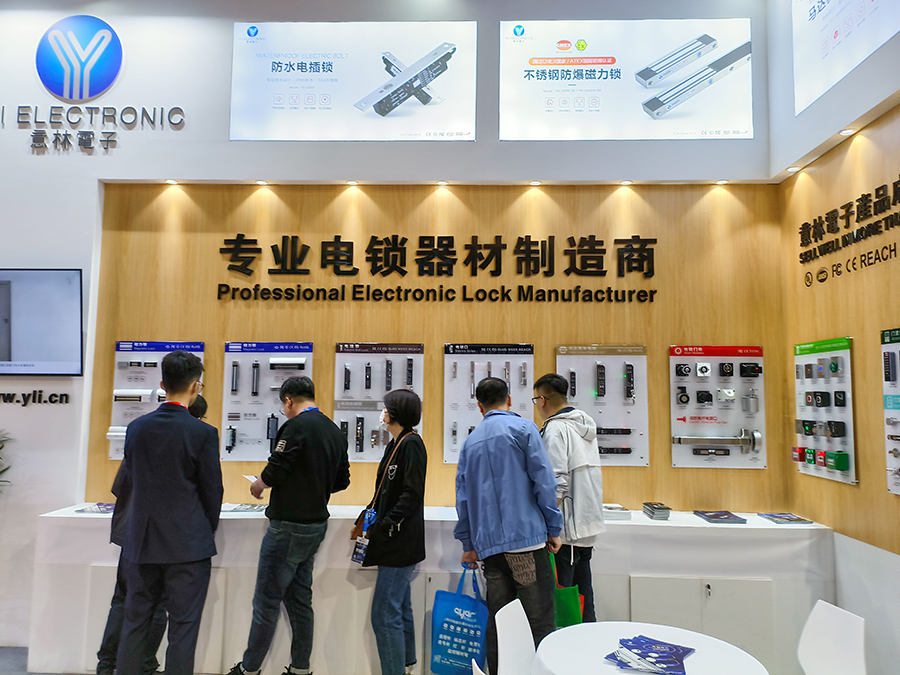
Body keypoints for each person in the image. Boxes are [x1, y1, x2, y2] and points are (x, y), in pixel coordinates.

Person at [229, 376, 350, 675]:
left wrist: (260, 484)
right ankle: (300, 669)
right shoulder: (333, 430)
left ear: (288, 400)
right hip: (315, 525)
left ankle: (249, 669)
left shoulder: (295, 426)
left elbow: (278, 467)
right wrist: (314, 485)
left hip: (288, 527)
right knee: (299, 602)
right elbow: (342, 480)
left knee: (266, 602)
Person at [115, 350, 223, 675]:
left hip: (141, 541)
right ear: (195, 386)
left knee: (135, 623)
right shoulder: (203, 433)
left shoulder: (136, 428)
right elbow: (212, 491)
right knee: (183, 629)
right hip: (187, 544)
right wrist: (204, 529)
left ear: (162, 385)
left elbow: (130, 482)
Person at [454, 377, 563, 675]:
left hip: (490, 549)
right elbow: (544, 482)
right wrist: (553, 527)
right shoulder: (524, 429)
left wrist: (468, 544)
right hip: (527, 542)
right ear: (510, 399)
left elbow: (463, 498)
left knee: (499, 622)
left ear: (479, 406)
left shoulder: (470, 443)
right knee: (538, 622)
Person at [95, 393, 210, 675]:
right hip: (160, 538)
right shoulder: (191, 438)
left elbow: (120, 485)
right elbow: (209, 491)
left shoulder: (143, 434)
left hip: (133, 532)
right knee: (153, 608)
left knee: (126, 604)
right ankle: (141, 664)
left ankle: (109, 665)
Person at [359, 389, 427, 675]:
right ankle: (406, 665)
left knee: (384, 615)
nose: (383, 413)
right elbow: (385, 491)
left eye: (386, 408)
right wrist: (365, 519)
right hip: (393, 538)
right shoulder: (397, 443)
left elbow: (412, 494)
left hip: (399, 541)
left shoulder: (411, 444)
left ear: (396, 412)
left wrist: (385, 524)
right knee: (399, 608)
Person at [533, 373, 606, 622]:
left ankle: (566, 643)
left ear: (542, 400)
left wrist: (549, 526)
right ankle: (587, 640)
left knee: (563, 601)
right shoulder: (584, 425)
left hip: (566, 529)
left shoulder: (556, 429)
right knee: (583, 595)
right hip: (585, 524)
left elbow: (555, 482)